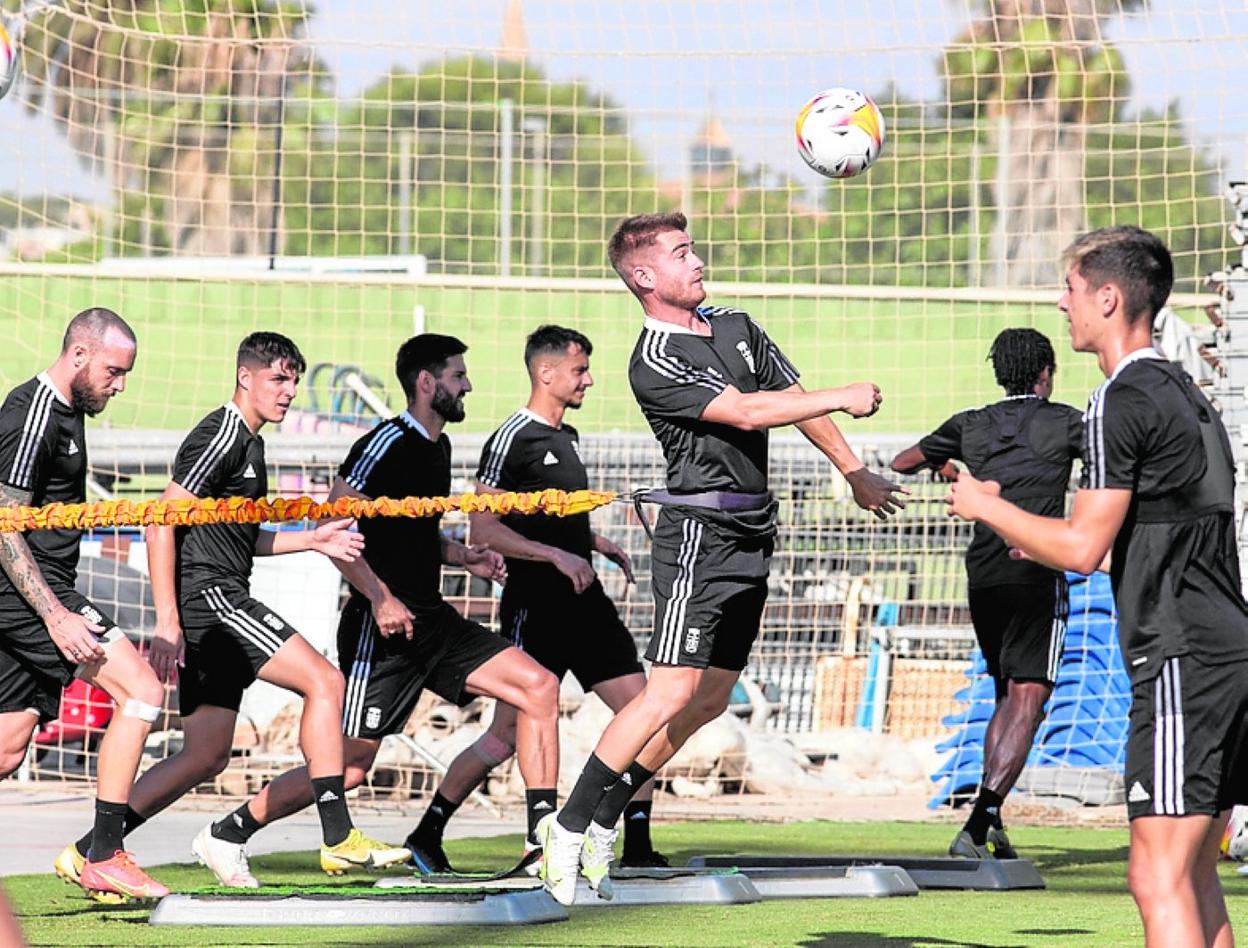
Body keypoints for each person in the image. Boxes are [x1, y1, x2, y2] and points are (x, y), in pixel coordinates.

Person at [538, 212, 908, 905]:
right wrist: (846, 394)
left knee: (709, 700)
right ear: (644, 276)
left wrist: (855, 470)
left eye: (693, 249)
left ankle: (607, 815)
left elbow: (792, 402)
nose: (697, 261)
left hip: (752, 534)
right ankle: (566, 826)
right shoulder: (653, 358)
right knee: (669, 692)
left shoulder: (735, 324)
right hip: (698, 538)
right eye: (681, 254)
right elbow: (745, 412)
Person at [947, 225, 1248, 947]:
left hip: (1181, 657)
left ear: (1108, 298)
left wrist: (986, 505)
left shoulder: (1119, 398)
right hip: (1221, 652)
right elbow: (1142, 546)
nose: (1062, 303)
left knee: (1156, 876)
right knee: (1192, 874)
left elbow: (1082, 549)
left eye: (1072, 289)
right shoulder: (1185, 392)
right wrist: (1034, 538)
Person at [189, 333, 562, 885]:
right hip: (380, 630)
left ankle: (544, 844)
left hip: (432, 621)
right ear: (427, 383)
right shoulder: (385, 442)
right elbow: (333, 524)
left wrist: (462, 556)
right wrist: (380, 596)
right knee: (348, 767)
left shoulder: (439, 447)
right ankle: (228, 831)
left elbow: (410, 536)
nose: (468, 385)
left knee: (539, 687)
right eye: (458, 376)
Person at [55, 331, 406, 891]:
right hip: (214, 600)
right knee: (325, 681)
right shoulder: (222, 434)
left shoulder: (251, 444)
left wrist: (313, 540)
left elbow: (244, 539)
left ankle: (89, 850)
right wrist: (167, 621)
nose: (289, 391)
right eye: (278, 379)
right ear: (246, 377)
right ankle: (338, 835)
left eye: (294, 381)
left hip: (216, 598)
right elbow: (160, 523)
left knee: (205, 755)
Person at [405, 325, 666, 874]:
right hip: (537, 608)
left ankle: (638, 845)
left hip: (587, 606)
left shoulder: (568, 436)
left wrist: (592, 543)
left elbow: (550, 519)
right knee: (505, 734)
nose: (588, 380)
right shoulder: (512, 439)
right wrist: (556, 557)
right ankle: (432, 834)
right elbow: (484, 530)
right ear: (546, 373)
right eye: (580, 370)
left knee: (648, 712)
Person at [891, 328, 1082, 860]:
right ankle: (980, 822)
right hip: (1036, 564)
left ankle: (990, 821)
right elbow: (1114, 460)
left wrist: (948, 467)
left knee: (1005, 692)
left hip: (984, 572)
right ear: (1045, 374)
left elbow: (902, 461)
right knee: (1029, 696)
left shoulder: (970, 423)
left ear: (999, 374)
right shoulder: (1067, 422)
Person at [0, 308, 170, 902]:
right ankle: (103, 855)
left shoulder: (69, 410)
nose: (119, 385)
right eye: (112, 372)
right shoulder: (33, 415)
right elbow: (3, 527)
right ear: (78, 354)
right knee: (142, 691)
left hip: (36, 591)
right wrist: (54, 614)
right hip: (25, 594)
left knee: (8, 744)